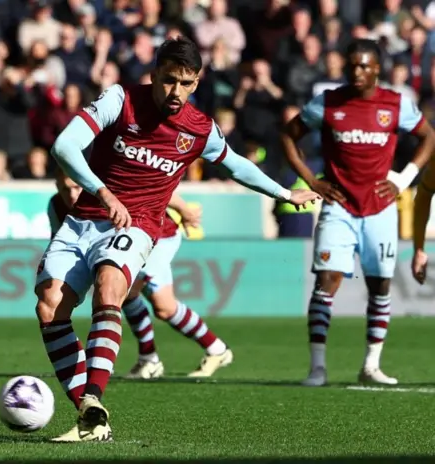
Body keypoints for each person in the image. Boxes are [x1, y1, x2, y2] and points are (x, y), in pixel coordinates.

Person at [36, 36, 319, 443]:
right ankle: (89, 414)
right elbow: (64, 145)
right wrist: (102, 192)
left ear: (197, 83)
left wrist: (286, 193)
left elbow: (237, 165)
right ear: (154, 75)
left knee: (110, 286)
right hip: (85, 219)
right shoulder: (120, 100)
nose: (176, 92)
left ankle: (95, 394)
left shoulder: (199, 129)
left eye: (186, 83)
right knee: (49, 308)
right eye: (169, 81)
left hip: (137, 225)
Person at [281, 39, 435, 388]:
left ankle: (371, 364)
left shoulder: (396, 104)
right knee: (326, 282)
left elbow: (429, 137)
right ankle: (317, 368)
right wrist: (312, 180)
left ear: (377, 68)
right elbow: (289, 136)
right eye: (352, 65)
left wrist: (403, 178)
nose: (357, 72)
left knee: (380, 286)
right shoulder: (328, 102)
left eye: (364, 66)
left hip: (380, 208)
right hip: (338, 207)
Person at [48, 169, 233, 380]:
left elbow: (153, 186)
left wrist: (184, 209)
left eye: (77, 187)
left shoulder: (106, 189)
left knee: (128, 291)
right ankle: (215, 349)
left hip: (158, 236)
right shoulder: (56, 206)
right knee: (164, 307)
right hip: (124, 243)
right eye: (65, 189)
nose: (72, 195)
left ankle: (150, 359)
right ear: (56, 185)